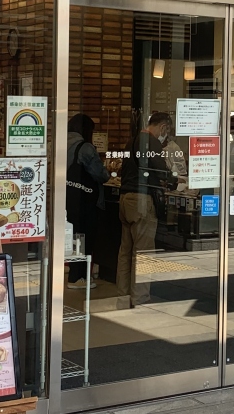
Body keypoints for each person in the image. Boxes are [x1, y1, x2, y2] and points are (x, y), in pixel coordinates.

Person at [116, 111, 174, 306]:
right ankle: (140, 297)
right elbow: (160, 170)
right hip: (141, 201)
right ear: (163, 127)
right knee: (143, 252)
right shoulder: (151, 142)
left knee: (126, 251)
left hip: (125, 199)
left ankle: (123, 294)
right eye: (166, 131)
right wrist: (174, 179)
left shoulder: (131, 141)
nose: (165, 136)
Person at [66, 113, 108, 285]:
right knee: (85, 238)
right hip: (84, 200)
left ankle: (73, 273)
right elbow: (102, 175)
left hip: (67, 198)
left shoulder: (59, 143)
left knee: (73, 236)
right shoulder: (86, 148)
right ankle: (79, 277)